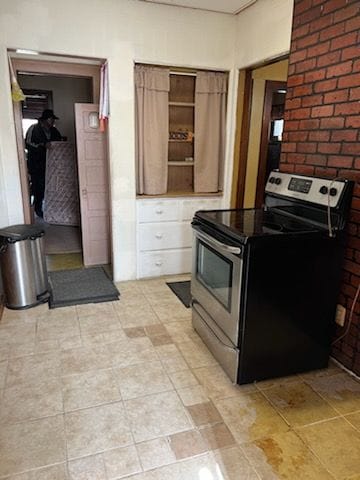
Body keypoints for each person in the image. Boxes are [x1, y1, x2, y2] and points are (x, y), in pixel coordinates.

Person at [25, 109, 63, 218]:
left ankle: (51, 209)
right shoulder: (34, 128)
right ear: (46, 119)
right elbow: (28, 144)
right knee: (38, 187)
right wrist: (42, 145)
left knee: (52, 186)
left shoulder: (54, 131)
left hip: (51, 164)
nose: (53, 122)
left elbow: (59, 142)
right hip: (37, 164)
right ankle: (38, 209)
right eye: (51, 119)